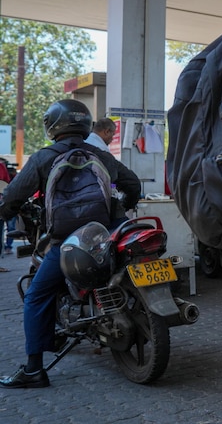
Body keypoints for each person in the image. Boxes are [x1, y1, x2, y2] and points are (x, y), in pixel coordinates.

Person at [0, 100, 140, 389]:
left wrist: (6, 214)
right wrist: (125, 205)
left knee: (36, 295)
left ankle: (34, 369)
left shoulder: (44, 158)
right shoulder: (100, 155)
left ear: (53, 125)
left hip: (69, 240)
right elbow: (133, 184)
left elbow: (12, 197)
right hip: (108, 234)